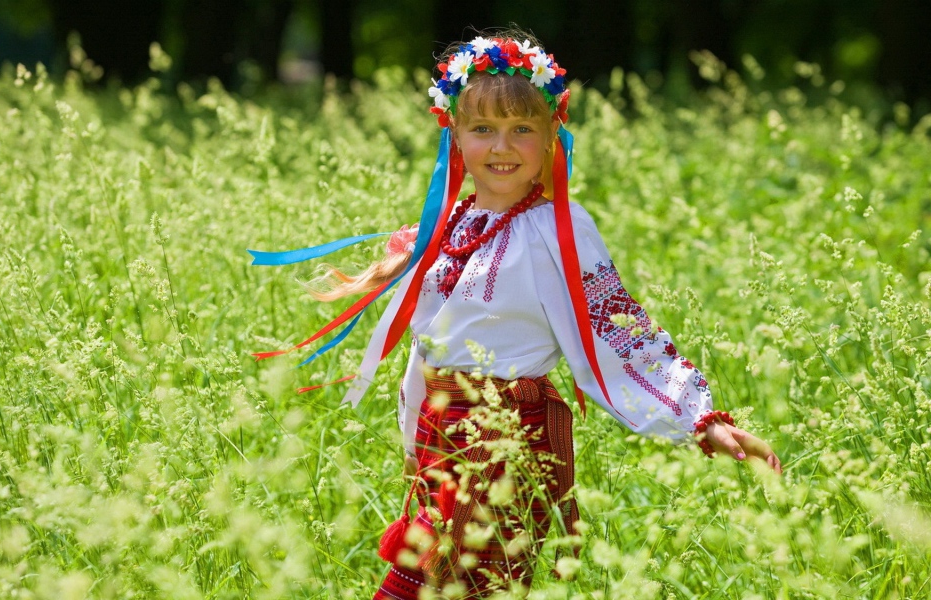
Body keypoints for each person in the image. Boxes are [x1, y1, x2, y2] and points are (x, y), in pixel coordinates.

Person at [249, 28, 780, 599]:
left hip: (507, 447)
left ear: (552, 136)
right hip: (442, 444)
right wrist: (413, 446)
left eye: (521, 129)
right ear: (455, 137)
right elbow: (428, 346)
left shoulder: (560, 230)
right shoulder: (451, 224)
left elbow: (620, 332)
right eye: (483, 130)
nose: (502, 147)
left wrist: (701, 420)